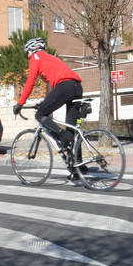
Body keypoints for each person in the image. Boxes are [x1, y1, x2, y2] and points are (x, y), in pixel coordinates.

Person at [13, 37, 85, 176]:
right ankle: (78, 166)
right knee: (72, 129)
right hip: (77, 87)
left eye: (27, 52)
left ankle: (62, 136)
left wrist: (20, 103)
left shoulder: (36, 57)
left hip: (64, 86)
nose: (28, 55)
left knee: (40, 114)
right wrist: (46, 102)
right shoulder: (52, 58)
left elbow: (30, 82)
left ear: (32, 50)